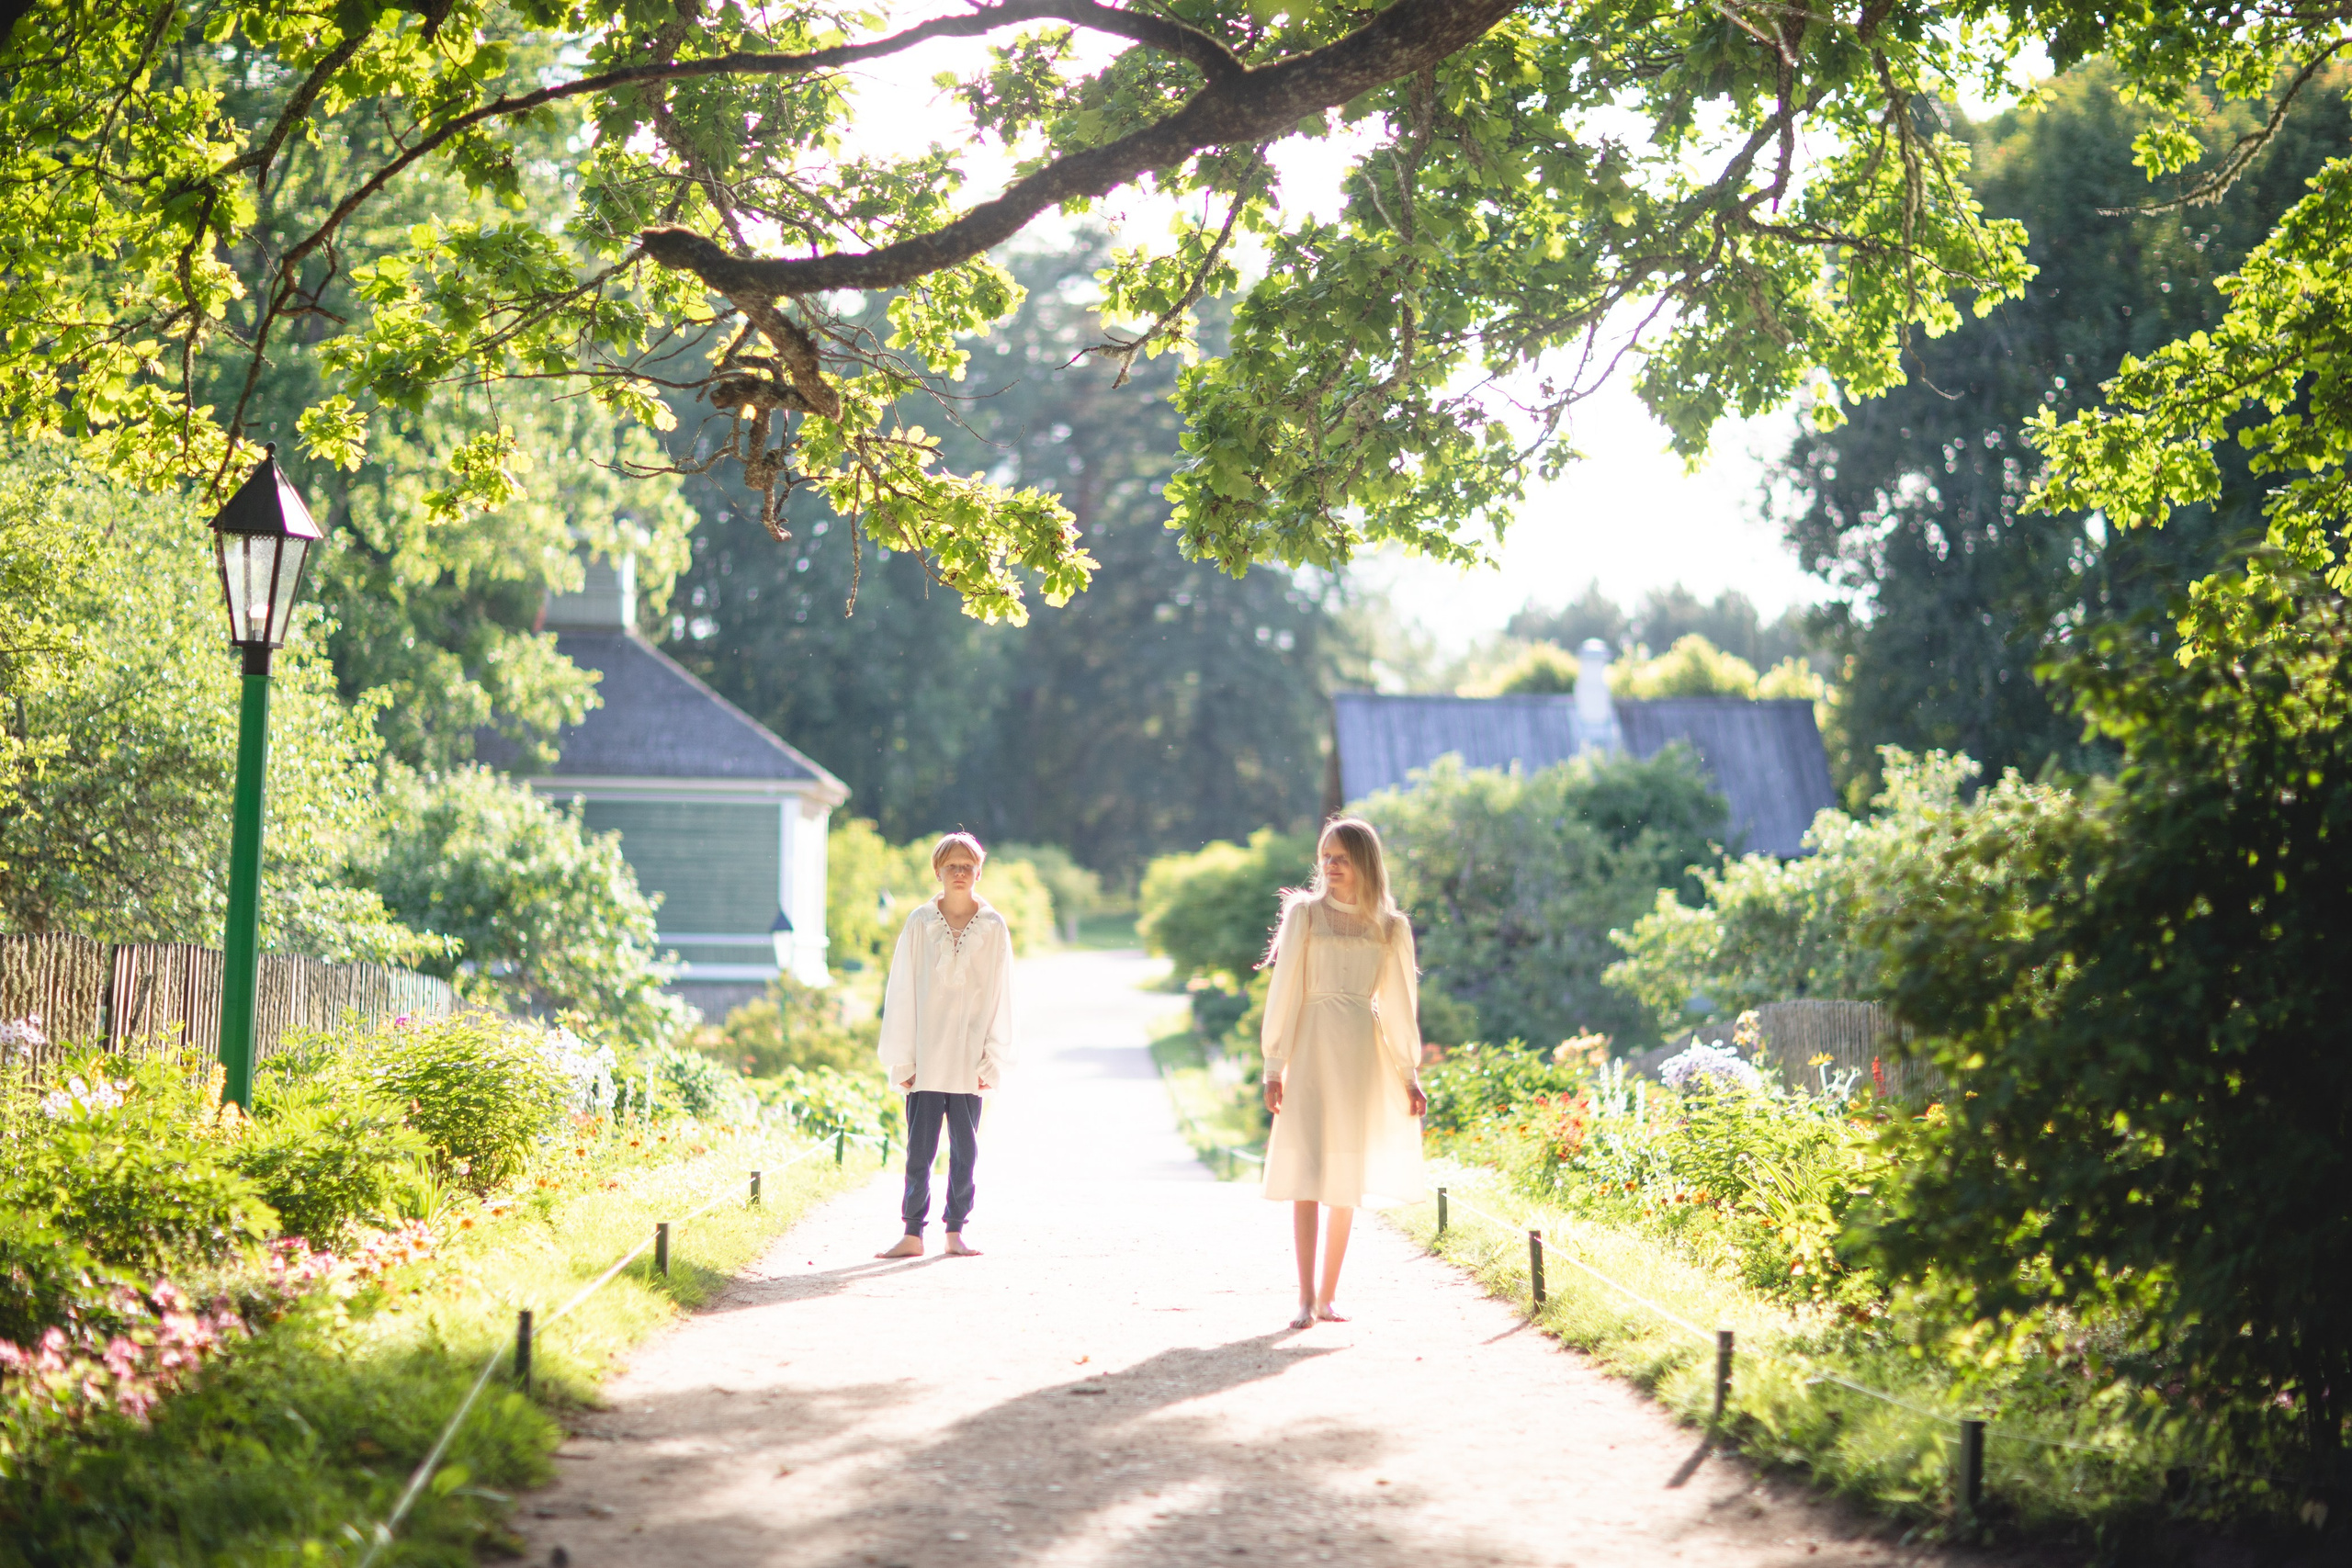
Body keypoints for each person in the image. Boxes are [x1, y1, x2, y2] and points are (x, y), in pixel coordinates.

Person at [1259, 817, 1428, 1328]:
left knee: (1344, 1177)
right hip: (1309, 1048)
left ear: (1365, 863)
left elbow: (1399, 1007)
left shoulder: (1391, 927)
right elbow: (1284, 990)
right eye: (1325, 857)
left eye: (1341, 858)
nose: (1330, 866)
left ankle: (1328, 1298)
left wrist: (1409, 1074)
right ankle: (1305, 1298)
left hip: (1359, 1055)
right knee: (1307, 1175)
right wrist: (1274, 1065)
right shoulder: (1305, 915)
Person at [875, 832, 1016, 1259]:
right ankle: (912, 1233)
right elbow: (902, 990)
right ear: (937, 870)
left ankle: (955, 1230)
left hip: (970, 1060)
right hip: (926, 1056)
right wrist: (904, 1057)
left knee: (965, 1150)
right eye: (951, 865)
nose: (959, 873)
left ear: (979, 872)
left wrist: (992, 1058)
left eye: (967, 866)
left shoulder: (993, 926)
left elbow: (1002, 994)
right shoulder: (920, 922)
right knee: (919, 1150)